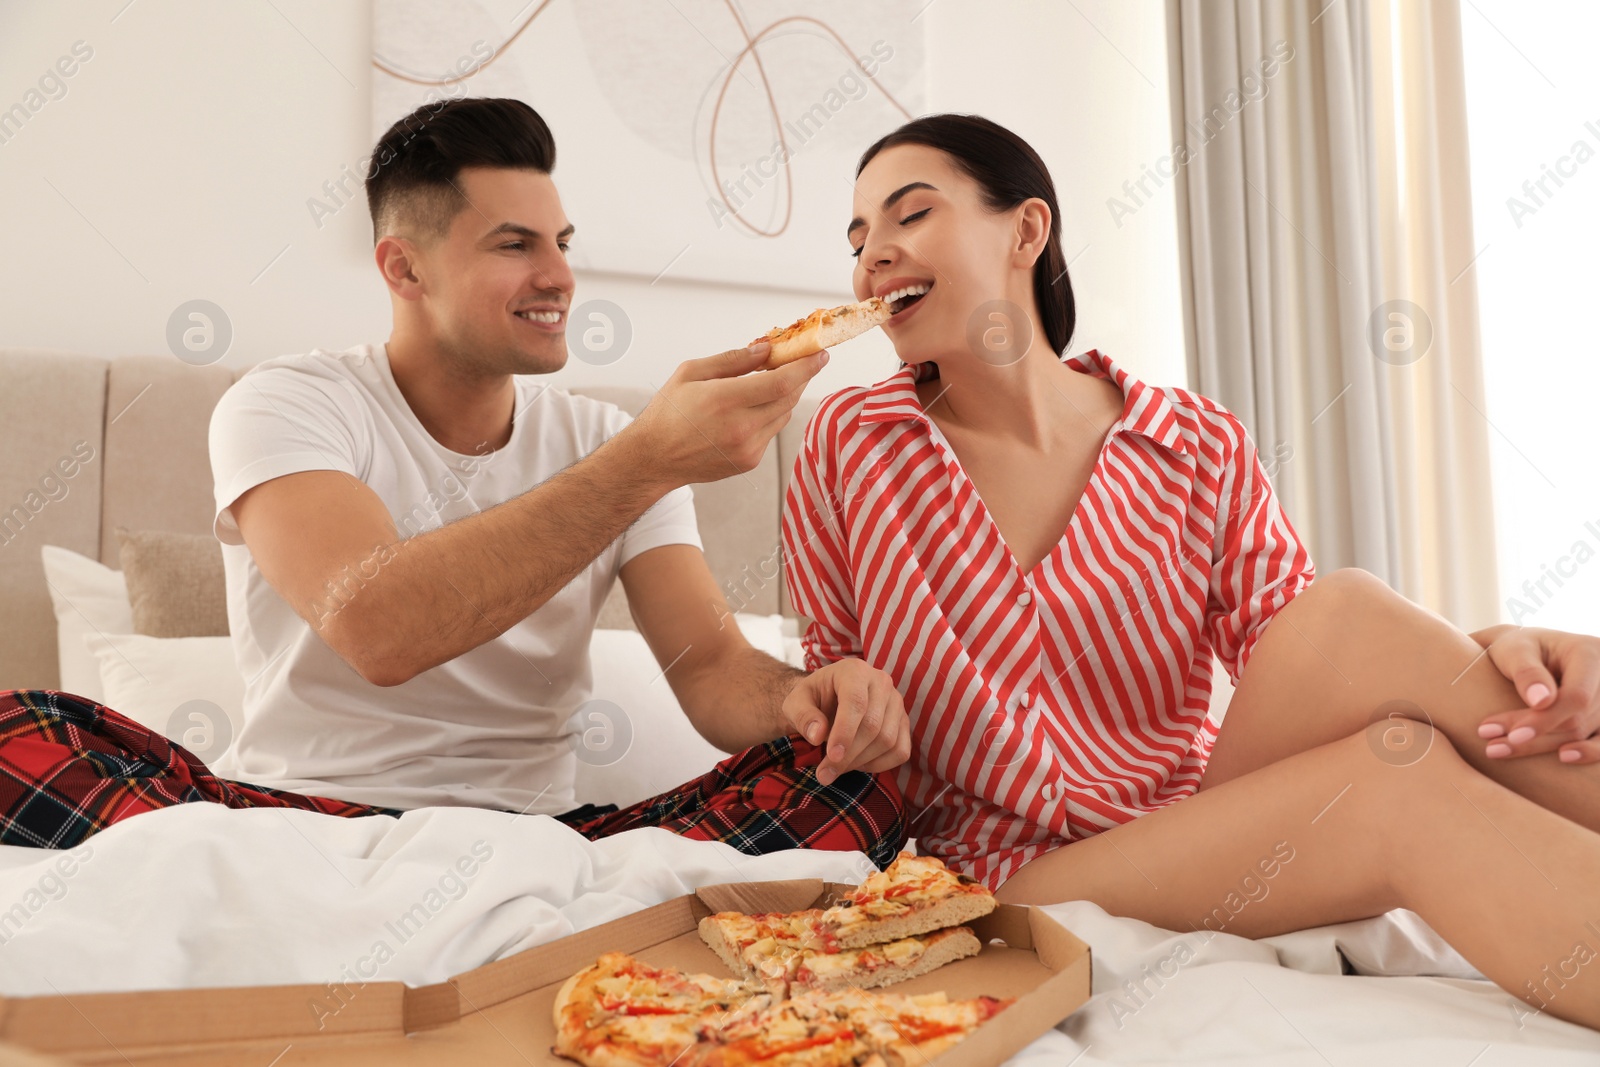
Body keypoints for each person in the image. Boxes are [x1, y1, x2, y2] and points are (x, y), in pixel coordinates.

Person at [780, 112, 1600, 1028]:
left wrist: (1509, 645)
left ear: (1026, 230)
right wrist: (837, 691)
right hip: (1004, 875)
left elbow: (1318, 655)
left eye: (909, 217)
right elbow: (828, 676)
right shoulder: (849, 441)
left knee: (1351, 617)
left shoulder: (1195, 440)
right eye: (857, 242)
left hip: (1195, 823)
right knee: (1395, 779)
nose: (873, 259)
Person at [0, 97, 909, 869]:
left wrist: (801, 698)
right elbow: (380, 627)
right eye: (515, 245)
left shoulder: (611, 438)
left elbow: (711, 668)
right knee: (18, 733)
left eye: (561, 241)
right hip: (294, 830)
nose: (559, 276)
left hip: (539, 844)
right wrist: (647, 460)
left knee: (855, 788)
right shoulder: (286, 403)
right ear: (403, 267)